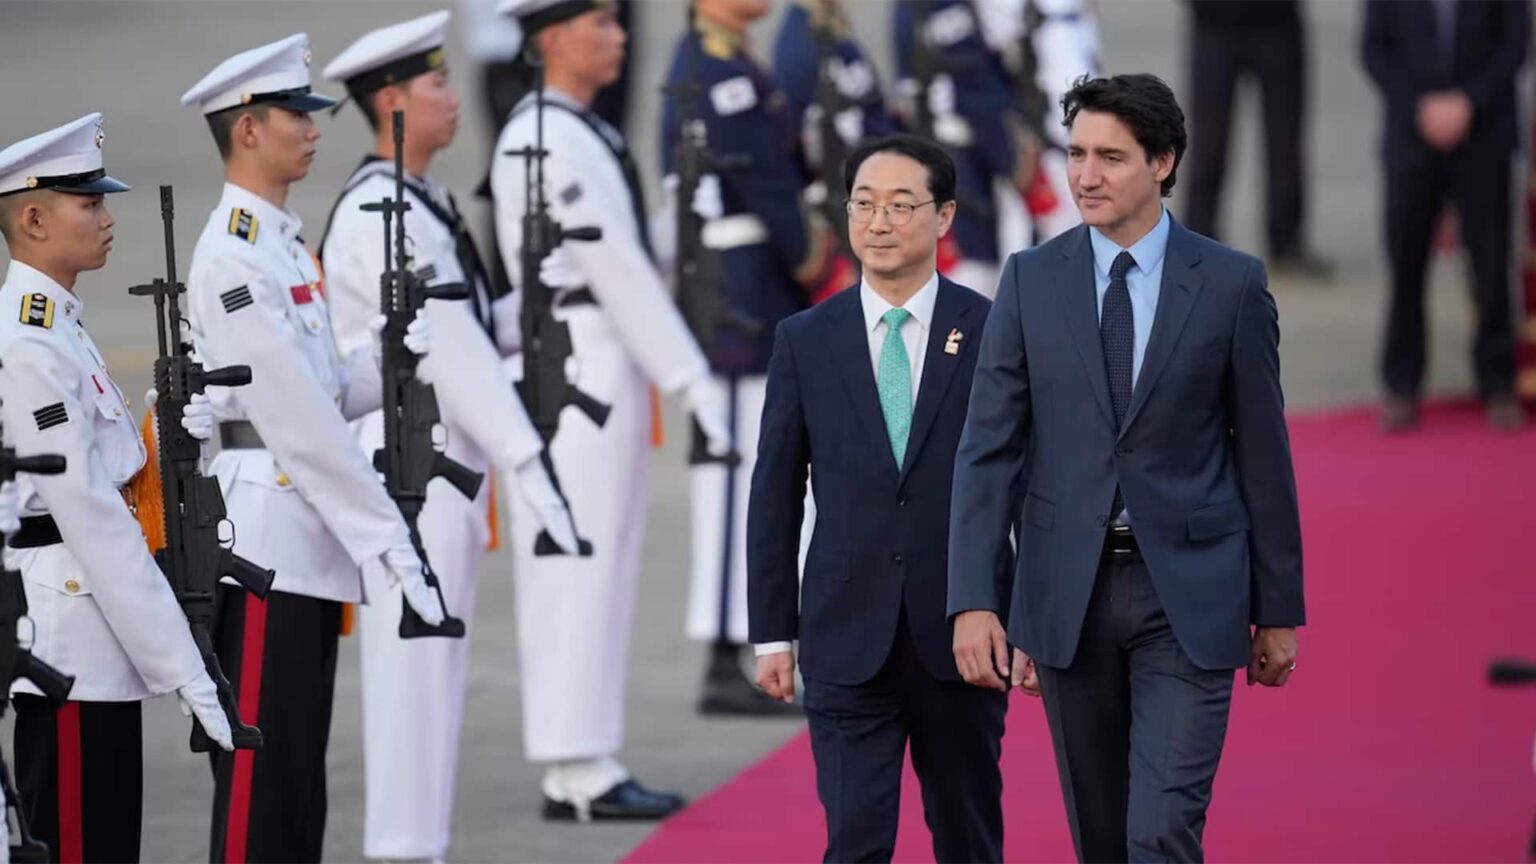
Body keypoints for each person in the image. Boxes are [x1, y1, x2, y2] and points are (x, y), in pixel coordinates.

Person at [949, 74, 1305, 862]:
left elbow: (1263, 454)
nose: (1084, 175)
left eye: (1110, 157)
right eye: (1075, 153)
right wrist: (977, 598)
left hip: (1190, 595)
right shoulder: (1030, 281)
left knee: (1160, 833)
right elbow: (989, 450)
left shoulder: (1231, 284)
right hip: (1066, 598)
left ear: (1164, 162)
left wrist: (1277, 606)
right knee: (1104, 841)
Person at [319, 11, 582, 858]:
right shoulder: (378, 214)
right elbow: (452, 352)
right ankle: (402, 849)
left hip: (437, 476)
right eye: (434, 83)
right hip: (406, 476)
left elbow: (463, 327)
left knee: (436, 685)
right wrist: (532, 467)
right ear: (391, 102)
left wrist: (537, 295)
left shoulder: (417, 201)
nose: (452, 96)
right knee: (412, 689)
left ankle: (417, 845)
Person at [180, 34, 447, 863]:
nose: (313, 127)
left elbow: (323, 387)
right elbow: (300, 422)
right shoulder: (231, 257)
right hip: (266, 547)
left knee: (298, 781)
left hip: (304, 542)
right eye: (296, 113)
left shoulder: (284, 244)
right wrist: (394, 548)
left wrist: (392, 349)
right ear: (249, 129)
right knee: (262, 789)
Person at [491, 0, 732, 819]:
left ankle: (583, 759)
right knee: (576, 566)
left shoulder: (584, 129)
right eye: (605, 24)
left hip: (604, 358)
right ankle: (576, 767)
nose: (622, 37)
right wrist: (692, 380)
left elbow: (629, 249)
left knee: (603, 564)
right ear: (556, 36)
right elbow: (611, 267)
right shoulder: (544, 135)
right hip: (577, 367)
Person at [749, 134, 1005, 863]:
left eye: (901, 205)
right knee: (856, 841)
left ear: (945, 215)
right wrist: (773, 632)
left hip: (961, 636)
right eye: (863, 204)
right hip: (843, 634)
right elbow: (774, 493)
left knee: (969, 838)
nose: (879, 222)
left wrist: (1026, 620)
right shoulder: (805, 338)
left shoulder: (990, 330)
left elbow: (1023, 484)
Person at [0, 113, 234, 863]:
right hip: (70, 639)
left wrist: (168, 429)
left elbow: (113, 468)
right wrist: (182, 665)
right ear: (33, 218)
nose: (106, 218)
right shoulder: (30, 342)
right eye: (89, 203)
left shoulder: (60, 323)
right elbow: (91, 515)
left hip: (96, 639)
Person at [664, 0, 849, 719]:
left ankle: (737, 646)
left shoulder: (735, 61)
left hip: (750, 292)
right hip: (738, 299)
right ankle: (720, 654)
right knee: (734, 479)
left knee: (748, 475)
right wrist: (820, 260)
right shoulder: (714, 70)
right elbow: (767, 186)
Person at [1361, 0, 1529, 432]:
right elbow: (1374, 50)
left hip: (1484, 135)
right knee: (1406, 264)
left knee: (1490, 264)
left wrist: (1467, 103)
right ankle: (1402, 385)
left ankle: (1496, 382)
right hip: (1411, 138)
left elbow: (1515, 45)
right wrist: (1421, 106)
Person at [1182, 0, 1333, 279]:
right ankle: (1196, 241)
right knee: (1208, 142)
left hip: (1277, 22)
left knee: (1285, 141)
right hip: (1213, 23)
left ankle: (1286, 243)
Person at [892, 0, 1019, 294]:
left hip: (947, 169)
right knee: (974, 286)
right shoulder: (938, 7)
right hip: (960, 171)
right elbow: (978, 94)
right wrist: (1019, 164)